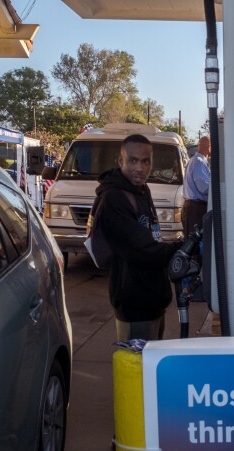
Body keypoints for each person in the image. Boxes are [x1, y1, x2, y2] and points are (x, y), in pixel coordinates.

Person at [95, 134, 180, 341]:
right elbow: (142, 249)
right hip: (134, 304)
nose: (140, 168)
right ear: (120, 161)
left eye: (145, 161)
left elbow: (151, 236)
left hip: (152, 301)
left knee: (150, 370)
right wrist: (181, 248)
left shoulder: (142, 190)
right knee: (137, 371)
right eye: (133, 161)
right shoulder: (114, 197)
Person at [182, 135, 211, 235]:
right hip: (196, 208)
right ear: (209, 148)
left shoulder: (195, 160)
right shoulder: (199, 162)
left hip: (194, 207)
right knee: (195, 241)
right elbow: (204, 187)